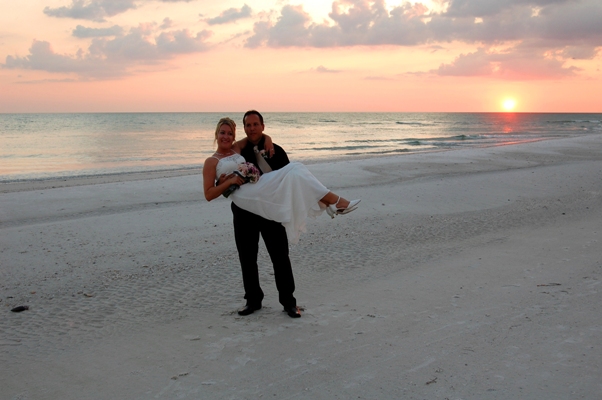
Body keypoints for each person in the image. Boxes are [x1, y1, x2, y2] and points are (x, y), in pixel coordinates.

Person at [202, 111, 360, 318]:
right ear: (217, 134)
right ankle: (253, 301)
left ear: (261, 126)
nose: (226, 136)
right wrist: (228, 181)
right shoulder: (216, 159)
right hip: (244, 210)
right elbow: (210, 193)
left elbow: (289, 183)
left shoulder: (249, 148)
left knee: (279, 255)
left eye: (230, 133)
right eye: (223, 133)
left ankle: (288, 302)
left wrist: (268, 139)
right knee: (247, 258)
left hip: (270, 205)